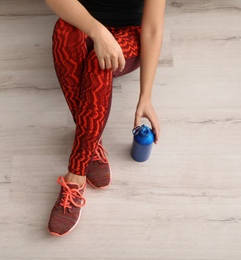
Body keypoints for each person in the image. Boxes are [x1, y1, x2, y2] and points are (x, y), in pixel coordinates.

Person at [45, 0, 165, 236]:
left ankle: (76, 176)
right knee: (63, 32)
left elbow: (152, 28)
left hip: (130, 34)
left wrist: (146, 96)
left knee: (97, 65)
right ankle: (91, 142)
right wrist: (98, 32)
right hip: (86, 23)